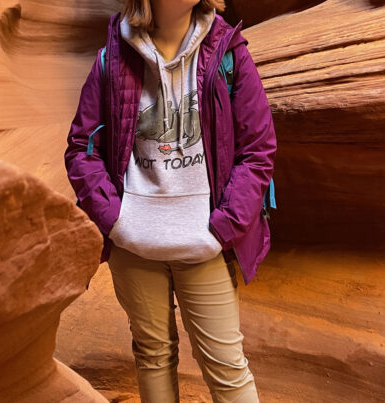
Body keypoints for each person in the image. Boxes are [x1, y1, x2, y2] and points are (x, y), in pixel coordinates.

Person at [64, 0, 277, 401]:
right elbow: (81, 148)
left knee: (227, 368)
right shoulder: (113, 57)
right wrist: (115, 219)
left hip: (204, 243)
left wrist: (223, 227)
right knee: (153, 357)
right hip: (135, 243)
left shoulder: (228, 52)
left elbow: (258, 149)